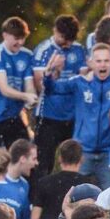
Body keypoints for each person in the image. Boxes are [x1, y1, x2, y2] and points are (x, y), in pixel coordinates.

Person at [42, 43, 110, 189]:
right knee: (74, 195)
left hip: (109, 152)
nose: (102, 65)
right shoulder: (79, 82)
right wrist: (48, 73)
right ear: (90, 62)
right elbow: (53, 89)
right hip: (83, 152)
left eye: (106, 61)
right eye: (98, 61)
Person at [32, 14, 87, 184]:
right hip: (48, 116)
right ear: (55, 30)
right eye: (64, 38)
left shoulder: (79, 50)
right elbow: (41, 86)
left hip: (73, 117)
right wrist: (54, 71)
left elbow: (83, 80)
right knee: (43, 163)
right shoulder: (44, 50)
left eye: (70, 39)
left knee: (73, 162)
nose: (67, 43)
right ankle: (37, 202)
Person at [0, 16, 38, 148]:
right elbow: (4, 89)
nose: (20, 42)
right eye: (16, 39)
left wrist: (31, 98)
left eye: (23, 38)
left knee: (25, 154)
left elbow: (29, 85)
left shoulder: (27, 55)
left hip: (13, 116)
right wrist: (25, 96)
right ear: (5, 35)